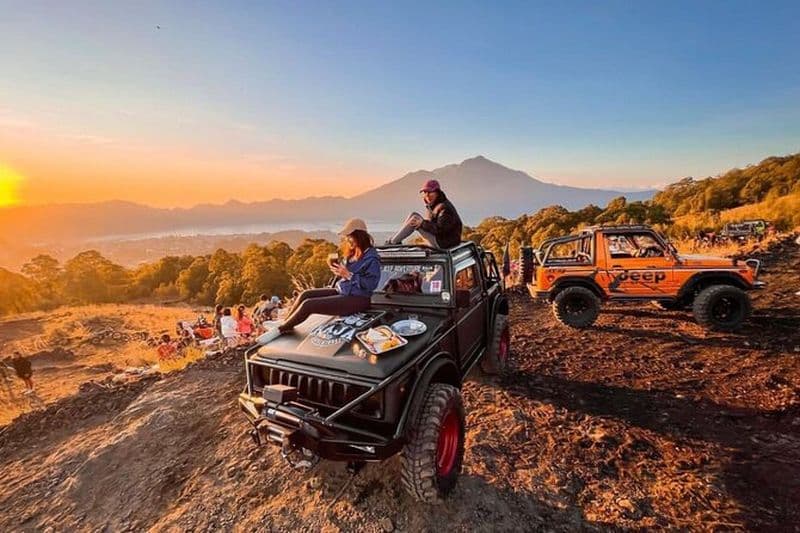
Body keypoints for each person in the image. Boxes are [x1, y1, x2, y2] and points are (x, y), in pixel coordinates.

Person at [259, 219, 381, 343]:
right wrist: (338, 271)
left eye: (350, 237)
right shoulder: (353, 253)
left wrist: (349, 275)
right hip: (343, 291)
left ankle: (282, 329)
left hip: (358, 299)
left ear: (359, 236)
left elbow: (371, 285)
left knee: (309, 305)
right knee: (305, 294)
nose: (347, 240)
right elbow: (347, 274)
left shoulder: (371, 258)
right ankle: (286, 321)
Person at [387, 179, 463, 249]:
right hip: (443, 240)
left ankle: (393, 242)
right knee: (413, 214)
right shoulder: (435, 205)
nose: (427, 195)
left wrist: (422, 223)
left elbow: (440, 229)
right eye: (425, 192)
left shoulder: (444, 208)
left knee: (415, 219)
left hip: (443, 243)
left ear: (437, 192)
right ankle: (395, 241)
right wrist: (423, 223)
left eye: (430, 192)